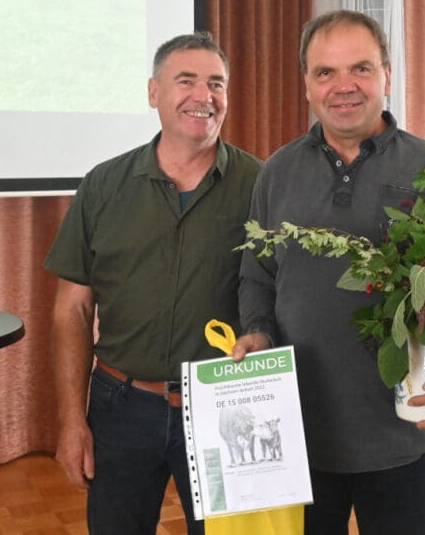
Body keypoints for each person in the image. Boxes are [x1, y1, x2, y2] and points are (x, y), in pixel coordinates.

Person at [233, 10, 425, 534]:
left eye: (360, 69)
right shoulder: (276, 172)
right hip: (297, 435)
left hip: (405, 436)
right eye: (326, 73)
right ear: (306, 85)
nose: (343, 86)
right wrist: (256, 329)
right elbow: (257, 275)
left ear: (387, 74)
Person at [44, 32, 262, 535]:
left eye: (216, 83)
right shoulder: (103, 184)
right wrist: (72, 423)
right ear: (153, 93)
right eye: (185, 81)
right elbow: (70, 311)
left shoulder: (261, 185)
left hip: (223, 408)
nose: (203, 96)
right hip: (120, 407)